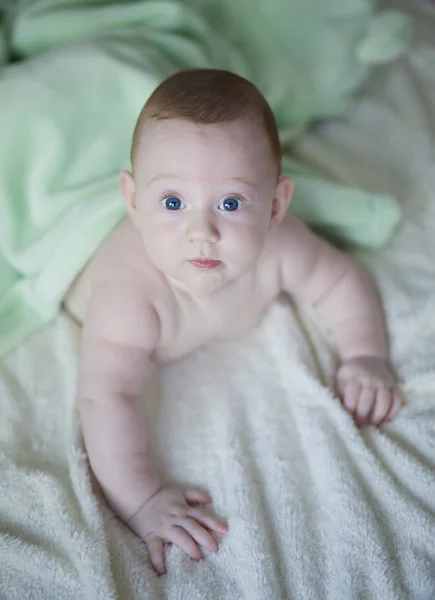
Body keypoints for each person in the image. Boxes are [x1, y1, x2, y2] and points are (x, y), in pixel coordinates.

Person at [69, 69, 403, 577]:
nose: (201, 232)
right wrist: (142, 500)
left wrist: (364, 355)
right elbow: (105, 396)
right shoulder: (128, 296)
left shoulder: (282, 246)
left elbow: (340, 280)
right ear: (134, 202)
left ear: (274, 207)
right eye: (172, 202)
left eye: (230, 203)